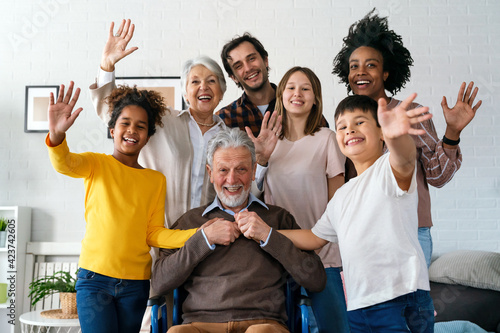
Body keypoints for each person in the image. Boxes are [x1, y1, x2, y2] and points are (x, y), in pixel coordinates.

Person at [332, 9, 482, 266]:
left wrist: (453, 133)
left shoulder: (410, 113)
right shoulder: (344, 123)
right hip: (363, 231)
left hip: (412, 230)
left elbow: (437, 177)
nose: (361, 72)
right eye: (354, 66)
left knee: (414, 305)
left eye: (371, 65)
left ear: (386, 73)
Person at [46, 82, 198, 333]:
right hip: (95, 280)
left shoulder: (155, 180)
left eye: (141, 126)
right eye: (125, 123)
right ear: (112, 129)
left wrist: (198, 234)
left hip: (135, 285)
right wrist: (58, 135)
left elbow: (154, 234)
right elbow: (64, 164)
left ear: (148, 136)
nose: (132, 130)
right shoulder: (96, 164)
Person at [279, 94, 435, 332]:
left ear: (382, 132)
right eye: (342, 126)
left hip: (399, 299)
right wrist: (267, 232)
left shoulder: (387, 169)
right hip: (358, 305)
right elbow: (314, 237)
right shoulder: (342, 195)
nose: (349, 130)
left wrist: (397, 137)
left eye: (359, 122)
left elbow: (404, 159)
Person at [151, 127, 326, 333]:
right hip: (200, 324)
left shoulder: (278, 218)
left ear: (253, 171)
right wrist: (203, 240)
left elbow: (316, 279)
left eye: (241, 169)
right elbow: (159, 283)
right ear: (211, 173)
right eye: (223, 170)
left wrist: (268, 236)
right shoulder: (190, 220)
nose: (232, 180)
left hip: (263, 324)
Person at [90, 19, 227, 228]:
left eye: (211, 81)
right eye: (195, 81)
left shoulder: (229, 138)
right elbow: (113, 111)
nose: (204, 87)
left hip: (205, 242)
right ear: (185, 93)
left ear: (222, 90)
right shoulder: (162, 119)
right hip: (154, 235)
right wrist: (107, 65)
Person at [249, 66, 349, 332]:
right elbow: (250, 198)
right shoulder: (268, 142)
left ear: (315, 98)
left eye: (306, 88)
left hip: (323, 254)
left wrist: (319, 244)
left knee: (335, 327)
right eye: (291, 87)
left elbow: (337, 204)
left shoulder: (328, 139)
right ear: (281, 94)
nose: (298, 93)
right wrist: (261, 159)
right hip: (278, 252)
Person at [218, 32, 328, 137]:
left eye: (251, 58)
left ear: (265, 60)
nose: (248, 68)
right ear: (233, 77)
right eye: (238, 66)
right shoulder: (224, 119)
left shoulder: (300, 105)